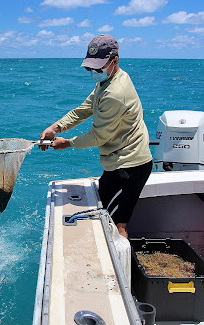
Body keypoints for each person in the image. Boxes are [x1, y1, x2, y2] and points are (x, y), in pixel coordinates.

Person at [39, 34, 152, 238]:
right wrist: (56, 127)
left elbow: (99, 136)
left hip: (130, 167)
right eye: (89, 68)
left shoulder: (116, 92)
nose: (93, 72)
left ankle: (122, 269)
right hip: (117, 163)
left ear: (114, 61)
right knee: (106, 214)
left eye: (97, 67)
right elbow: (84, 109)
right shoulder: (107, 80)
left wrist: (68, 143)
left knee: (118, 226)